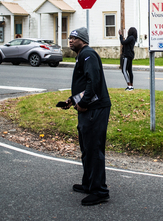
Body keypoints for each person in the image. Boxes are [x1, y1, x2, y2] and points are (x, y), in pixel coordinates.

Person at [61, 27, 112, 206]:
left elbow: (94, 81)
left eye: (74, 38)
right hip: (88, 108)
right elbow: (84, 84)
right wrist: (72, 100)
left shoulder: (88, 54)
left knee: (93, 149)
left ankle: (99, 191)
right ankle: (89, 184)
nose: (71, 40)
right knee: (86, 148)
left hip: (95, 109)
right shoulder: (83, 55)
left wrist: (82, 103)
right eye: (70, 37)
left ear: (83, 40)